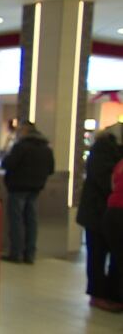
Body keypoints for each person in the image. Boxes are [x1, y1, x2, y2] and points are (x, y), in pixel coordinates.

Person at [77, 122, 123, 311]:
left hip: (110, 210)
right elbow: (104, 178)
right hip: (97, 211)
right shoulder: (104, 146)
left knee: (115, 256)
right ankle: (97, 294)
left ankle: (113, 294)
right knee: (97, 254)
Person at [1, 120, 55, 264]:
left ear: (24, 131)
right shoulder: (46, 147)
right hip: (36, 188)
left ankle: (16, 253)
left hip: (17, 187)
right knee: (32, 220)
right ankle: (29, 254)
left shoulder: (21, 146)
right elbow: (51, 169)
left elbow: (7, 163)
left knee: (16, 220)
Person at [102, 159, 123, 312]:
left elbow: (113, 185)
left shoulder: (120, 164)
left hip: (112, 212)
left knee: (117, 257)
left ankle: (114, 297)